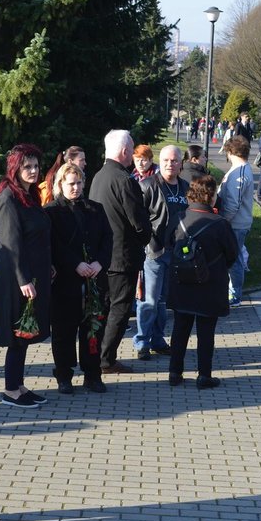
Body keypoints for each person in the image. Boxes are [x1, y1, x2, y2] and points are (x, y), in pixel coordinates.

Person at [44, 163, 112, 393]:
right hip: (66, 280)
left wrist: (99, 263)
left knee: (92, 328)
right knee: (63, 330)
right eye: (71, 183)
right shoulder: (52, 211)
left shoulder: (95, 209)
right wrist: (75, 264)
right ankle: (64, 375)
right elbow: (53, 244)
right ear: (61, 184)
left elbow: (107, 239)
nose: (76, 188)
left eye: (79, 183)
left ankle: (93, 374)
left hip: (94, 278)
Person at [0, 144, 52, 407]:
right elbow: (10, 242)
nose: (33, 171)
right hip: (14, 273)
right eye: (27, 166)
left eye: (36, 166)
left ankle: (18, 384)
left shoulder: (29, 195)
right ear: (15, 168)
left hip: (32, 270)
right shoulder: (8, 197)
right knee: (18, 332)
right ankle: (10, 390)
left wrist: (47, 265)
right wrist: (23, 279)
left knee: (26, 331)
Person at [166, 175, 239, 389]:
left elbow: (167, 242)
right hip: (210, 284)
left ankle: (174, 372)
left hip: (181, 283)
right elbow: (232, 255)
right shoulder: (221, 224)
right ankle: (204, 376)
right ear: (211, 196)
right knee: (206, 332)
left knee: (180, 328)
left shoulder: (178, 217)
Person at [89, 130, 152, 375]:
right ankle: (106, 359)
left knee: (105, 307)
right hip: (122, 256)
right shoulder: (125, 180)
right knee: (120, 308)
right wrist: (145, 235)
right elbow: (138, 221)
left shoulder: (98, 176)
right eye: (132, 149)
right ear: (125, 151)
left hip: (103, 256)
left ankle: (97, 354)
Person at [134, 145, 189, 360]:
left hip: (176, 252)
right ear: (160, 161)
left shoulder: (185, 187)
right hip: (154, 251)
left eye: (174, 160)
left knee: (164, 301)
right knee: (150, 300)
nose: (170, 164)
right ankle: (142, 342)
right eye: (166, 160)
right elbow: (139, 219)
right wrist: (147, 243)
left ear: (180, 163)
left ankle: (158, 339)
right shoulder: (148, 185)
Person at [218, 135, 254, 307]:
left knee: (234, 260)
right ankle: (232, 292)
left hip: (235, 224)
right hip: (238, 223)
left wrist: (223, 221)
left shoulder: (239, 172)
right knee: (235, 257)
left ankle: (235, 295)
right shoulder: (241, 169)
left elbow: (233, 203)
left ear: (230, 152)